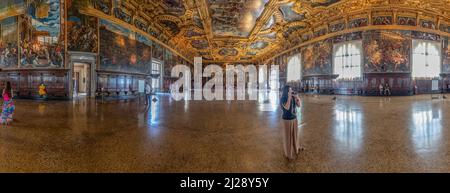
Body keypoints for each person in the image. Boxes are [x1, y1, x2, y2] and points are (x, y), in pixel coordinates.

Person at [280, 85, 304, 160]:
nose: (291, 91)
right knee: (288, 137)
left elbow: (299, 105)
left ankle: (296, 148)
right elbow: (287, 107)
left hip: (294, 119)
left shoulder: (293, 97)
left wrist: (297, 98)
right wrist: (289, 97)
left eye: (291, 90)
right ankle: (288, 154)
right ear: (286, 91)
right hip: (287, 120)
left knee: (295, 135)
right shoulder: (283, 98)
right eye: (290, 90)